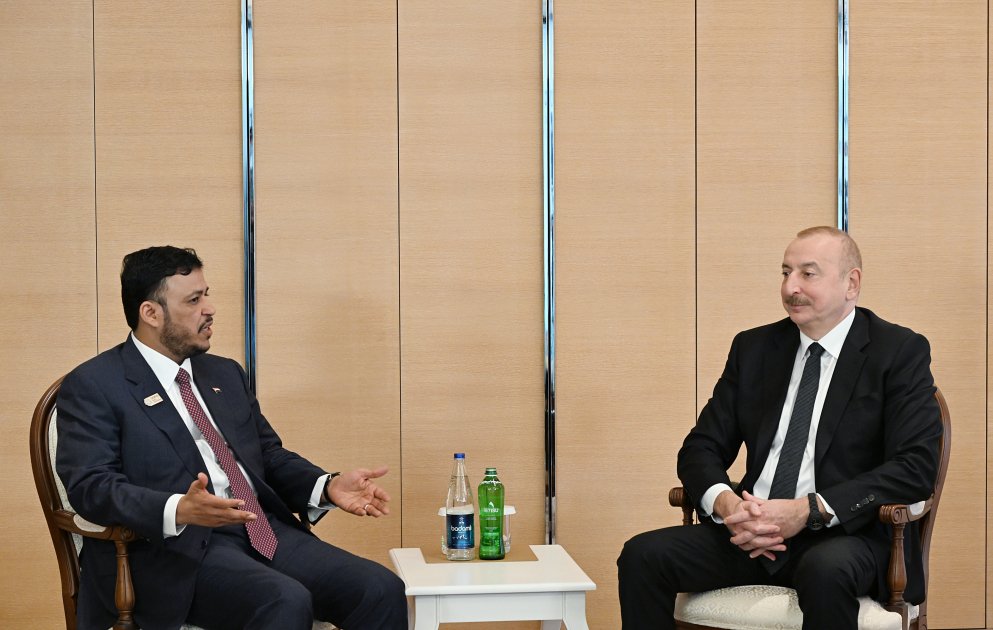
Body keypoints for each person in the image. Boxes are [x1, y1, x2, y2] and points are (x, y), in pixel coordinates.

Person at [56, 246, 407, 630]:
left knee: (380, 589)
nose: (210, 308)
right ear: (151, 313)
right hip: (172, 552)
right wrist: (179, 508)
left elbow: (267, 455)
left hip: (261, 531)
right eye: (194, 300)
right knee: (285, 601)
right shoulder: (95, 384)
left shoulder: (224, 374)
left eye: (206, 295)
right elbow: (91, 486)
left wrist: (325, 486)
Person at [617, 226, 942, 630]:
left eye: (808, 273)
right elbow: (700, 448)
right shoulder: (754, 348)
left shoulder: (897, 351)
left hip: (846, 536)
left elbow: (914, 467)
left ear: (851, 283)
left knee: (826, 570)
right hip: (751, 531)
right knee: (643, 556)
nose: (791, 287)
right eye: (786, 272)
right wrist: (729, 506)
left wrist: (808, 510)